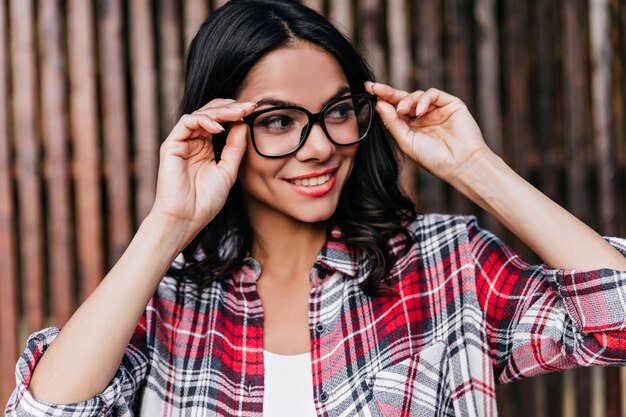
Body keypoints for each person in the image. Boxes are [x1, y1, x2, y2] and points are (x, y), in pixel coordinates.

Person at [5, 0, 626, 416]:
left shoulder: (448, 264)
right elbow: (45, 411)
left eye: (336, 111)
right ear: (219, 128)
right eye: (279, 121)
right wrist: (168, 225)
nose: (322, 146)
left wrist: (476, 168)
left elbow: (618, 320)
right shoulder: (166, 299)